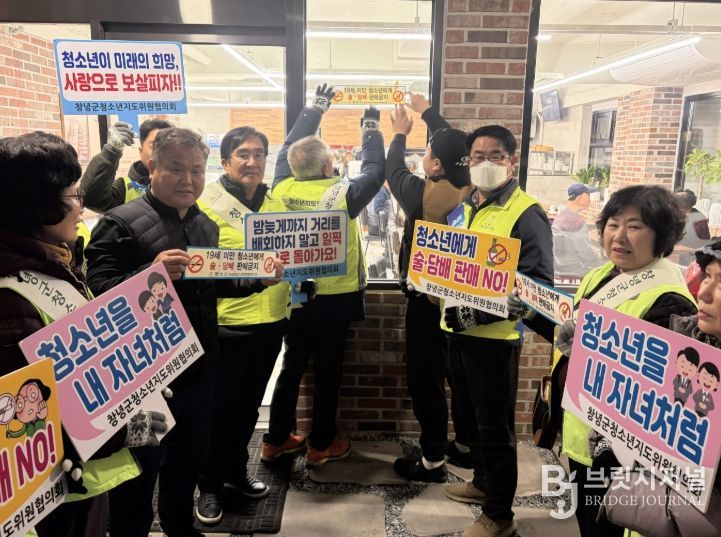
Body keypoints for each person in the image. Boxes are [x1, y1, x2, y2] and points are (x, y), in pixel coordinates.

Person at [85, 127, 283, 537]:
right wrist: (149, 274)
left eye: (196, 170)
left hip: (198, 365)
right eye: (176, 168)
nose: (188, 180)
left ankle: (180, 526)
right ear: (152, 167)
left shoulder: (204, 224)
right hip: (142, 380)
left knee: (188, 457)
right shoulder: (119, 223)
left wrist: (256, 280)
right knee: (139, 469)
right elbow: (96, 292)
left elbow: (211, 285)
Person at [0, 132, 164, 537]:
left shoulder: (54, 262)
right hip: (50, 496)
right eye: (74, 195)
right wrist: (128, 429)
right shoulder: (10, 296)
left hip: (77, 480)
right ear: (36, 205)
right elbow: (27, 422)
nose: (82, 207)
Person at [551, 185, 697, 537]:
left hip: (620, 455)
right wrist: (530, 313)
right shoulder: (600, 276)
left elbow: (667, 391)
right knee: (588, 522)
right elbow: (569, 338)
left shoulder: (671, 300)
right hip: (581, 437)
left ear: (661, 235)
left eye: (634, 226)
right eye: (613, 224)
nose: (618, 236)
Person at [261, 84, 385, 466]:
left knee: (291, 367)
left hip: (295, 295)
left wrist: (315, 109)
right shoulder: (343, 194)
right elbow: (375, 170)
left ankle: (275, 439)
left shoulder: (281, 187)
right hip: (336, 300)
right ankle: (320, 445)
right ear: (329, 167)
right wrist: (370, 128)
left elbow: (288, 148)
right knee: (328, 373)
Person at [441, 125, 555, 537]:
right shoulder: (466, 205)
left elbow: (535, 287)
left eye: (495, 156)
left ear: (512, 160)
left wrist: (477, 315)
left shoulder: (526, 213)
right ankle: (483, 482)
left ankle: (499, 514)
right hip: (455, 332)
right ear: (468, 161)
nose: (485, 163)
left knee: (494, 429)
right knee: (469, 421)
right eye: (477, 156)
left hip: (493, 341)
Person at [195, 126, 304, 524]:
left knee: (247, 410)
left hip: (271, 322)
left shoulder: (276, 204)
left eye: (259, 154)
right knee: (218, 411)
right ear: (225, 161)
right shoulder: (206, 204)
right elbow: (200, 267)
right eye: (243, 154)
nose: (252, 161)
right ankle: (208, 486)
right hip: (226, 325)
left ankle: (236, 471)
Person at [385, 95, 473, 483]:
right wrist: (428, 115)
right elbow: (455, 146)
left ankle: (433, 460)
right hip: (468, 304)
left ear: (435, 164)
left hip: (427, 304)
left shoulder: (422, 194)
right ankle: (466, 447)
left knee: (427, 381)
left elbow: (391, 169)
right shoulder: (477, 190)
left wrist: (399, 134)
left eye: (428, 153)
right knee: (463, 379)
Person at [80, 118, 174, 212]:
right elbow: (90, 199)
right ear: (141, 151)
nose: (163, 153)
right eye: (155, 145)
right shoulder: (125, 188)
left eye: (169, 147)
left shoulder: (181, 184)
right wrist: (111, 151)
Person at [552, 183, 604, 278]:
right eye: (588, 195)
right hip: (575, 271)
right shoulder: (575, 222)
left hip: (560, 267)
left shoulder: (562, 215)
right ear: (580, 198)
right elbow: (586, 254)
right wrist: (604, 265)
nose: (590, 199)